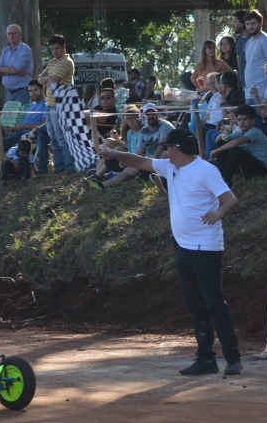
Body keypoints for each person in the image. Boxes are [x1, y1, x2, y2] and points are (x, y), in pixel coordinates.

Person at [97, 128, 242, 376]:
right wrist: (113, 153)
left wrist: (219, 212)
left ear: (177, 149)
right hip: (182, 245)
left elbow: (231, 199)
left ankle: (233, 358)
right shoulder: (170, 167)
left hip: (205, 246)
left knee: (214, 303)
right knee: (195, 305)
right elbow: (139, 161)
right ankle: (206, 358)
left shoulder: (205, 170)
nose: (165, 151)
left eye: (168, 147)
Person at [38, 34, 77, 174]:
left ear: (64, 47)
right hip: (49, 104)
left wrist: (47, 79)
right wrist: (47, 79)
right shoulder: (53, 62)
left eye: (57, 48)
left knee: (62, 138)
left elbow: (54, 80)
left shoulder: (66, 62)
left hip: (61, 105)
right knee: (53, 138)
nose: (54, 51)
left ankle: (68, 167)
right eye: (52, 49)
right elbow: (39, 78)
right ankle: (59, 168)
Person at [208, 104, 267, 186]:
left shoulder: (255, 132)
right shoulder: (241, 132)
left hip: (262, 168)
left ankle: (226, 181)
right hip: (249, 166)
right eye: (239, 120)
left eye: (245, 119)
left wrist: (216, 150)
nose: (242, 122)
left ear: (252, 121)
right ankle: (221, 177)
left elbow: (236, 142)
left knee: (235, 150)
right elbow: (219, 139)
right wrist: (225, 133)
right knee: (222, 143)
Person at [240, 10, 267, 105]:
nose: (250, 26)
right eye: (247, 24)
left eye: (253, 23)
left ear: (260, 23)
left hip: (263, 92)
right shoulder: (248, 42)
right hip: (249, 93)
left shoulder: (266, 40)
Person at [0, 24, 34, 104]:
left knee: (22, 113)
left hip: (22, 91)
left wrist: (3, 70)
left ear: (20, 35)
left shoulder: (25, 50)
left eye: (14, 33)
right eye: (9, 34)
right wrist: (12, 70)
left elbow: (14, 70)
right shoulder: (5, 51)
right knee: (8, 113)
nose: (11, 36)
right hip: (9, 92)